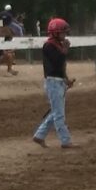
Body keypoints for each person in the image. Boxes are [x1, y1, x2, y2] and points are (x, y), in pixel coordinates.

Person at [32, 17, 77, 149]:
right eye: (63, 32)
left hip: (58, 82)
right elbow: (58, 61)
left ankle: (39, 135)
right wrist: (65, 49)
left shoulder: (56, 45)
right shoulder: (49, 46)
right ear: (56, 33)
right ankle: (65, 141)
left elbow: (60, 66)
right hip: (53, 82)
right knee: (59, 114)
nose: (65, 35)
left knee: (56, 112)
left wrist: (66, 79)